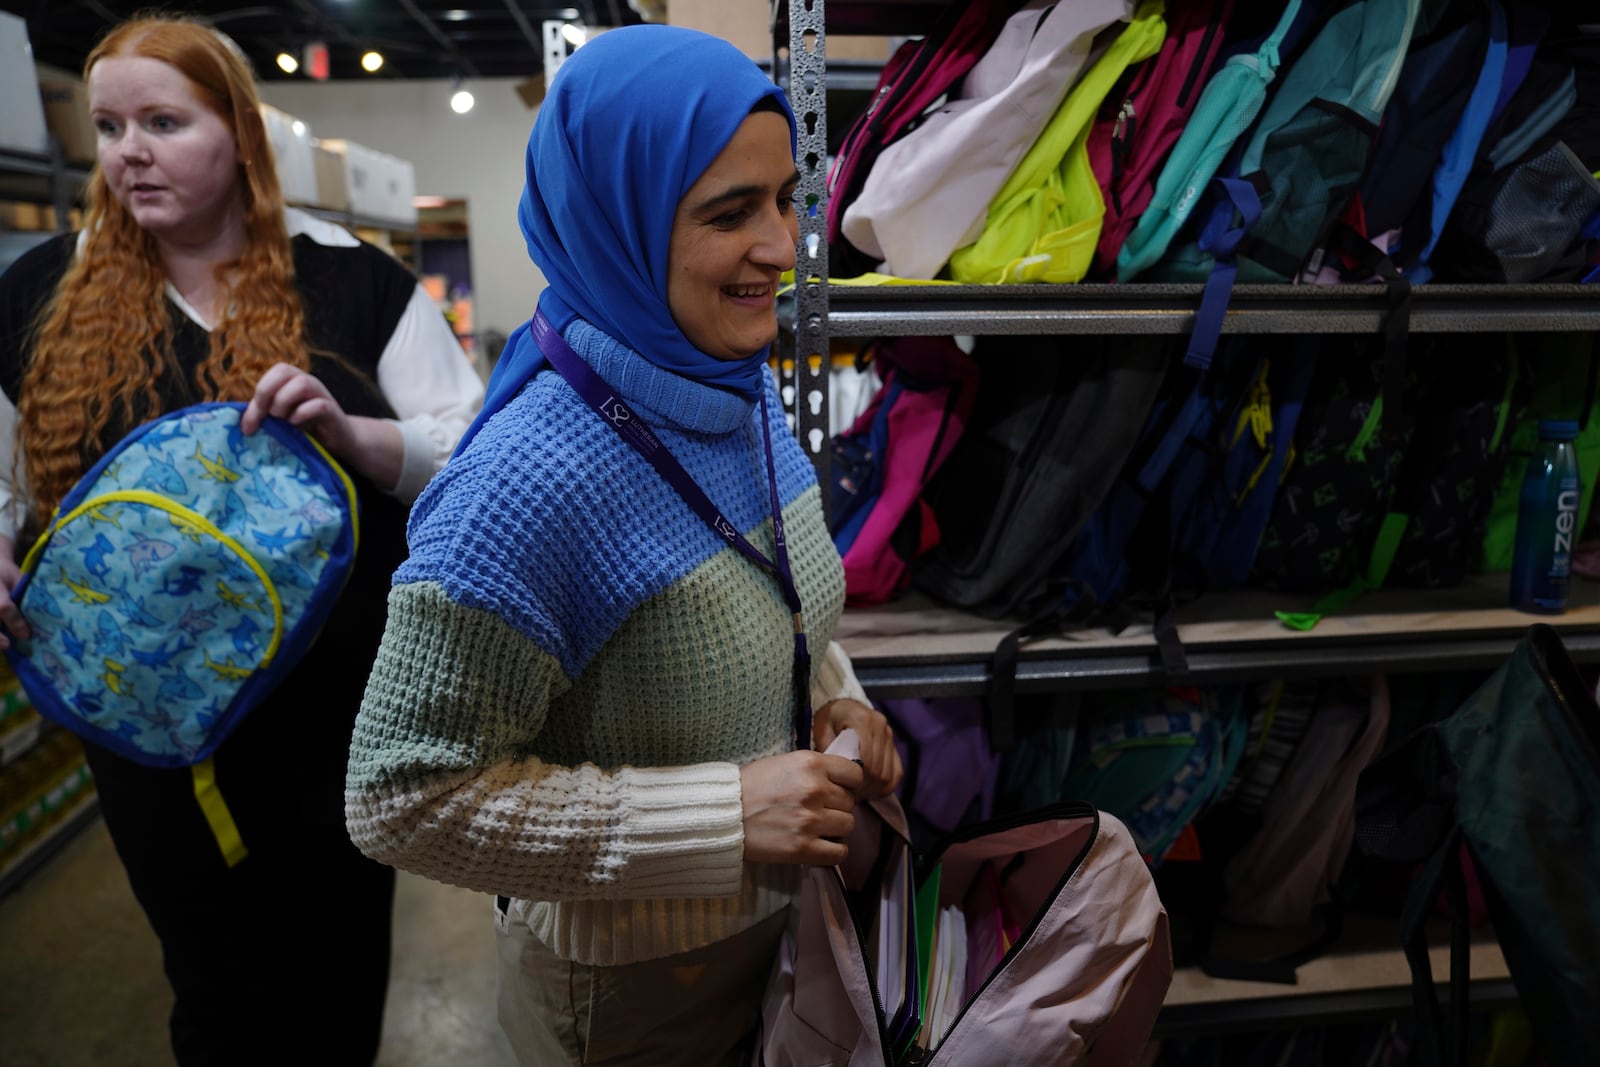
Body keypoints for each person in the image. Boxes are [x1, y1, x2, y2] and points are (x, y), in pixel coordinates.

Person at [344, 23, 903, 1067]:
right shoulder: (523, 482)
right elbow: (400, 796)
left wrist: (840, 699)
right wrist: (722, 812)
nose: (783, 247)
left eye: (785, 199)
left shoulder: (729, 390)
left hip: (784, 938)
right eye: (729, 212)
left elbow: (769, 596)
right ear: (620, 220)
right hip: (629, 992)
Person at [0, 15, 484, 1066]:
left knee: (340, 953)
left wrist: (355, 433)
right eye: (112, 125)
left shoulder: (352, 279)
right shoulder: (40, 293)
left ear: (241, 136)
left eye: (165, 121)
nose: (130, 150)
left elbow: (471, 449)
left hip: (336, 710)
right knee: (211, 975)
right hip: (146, 719)